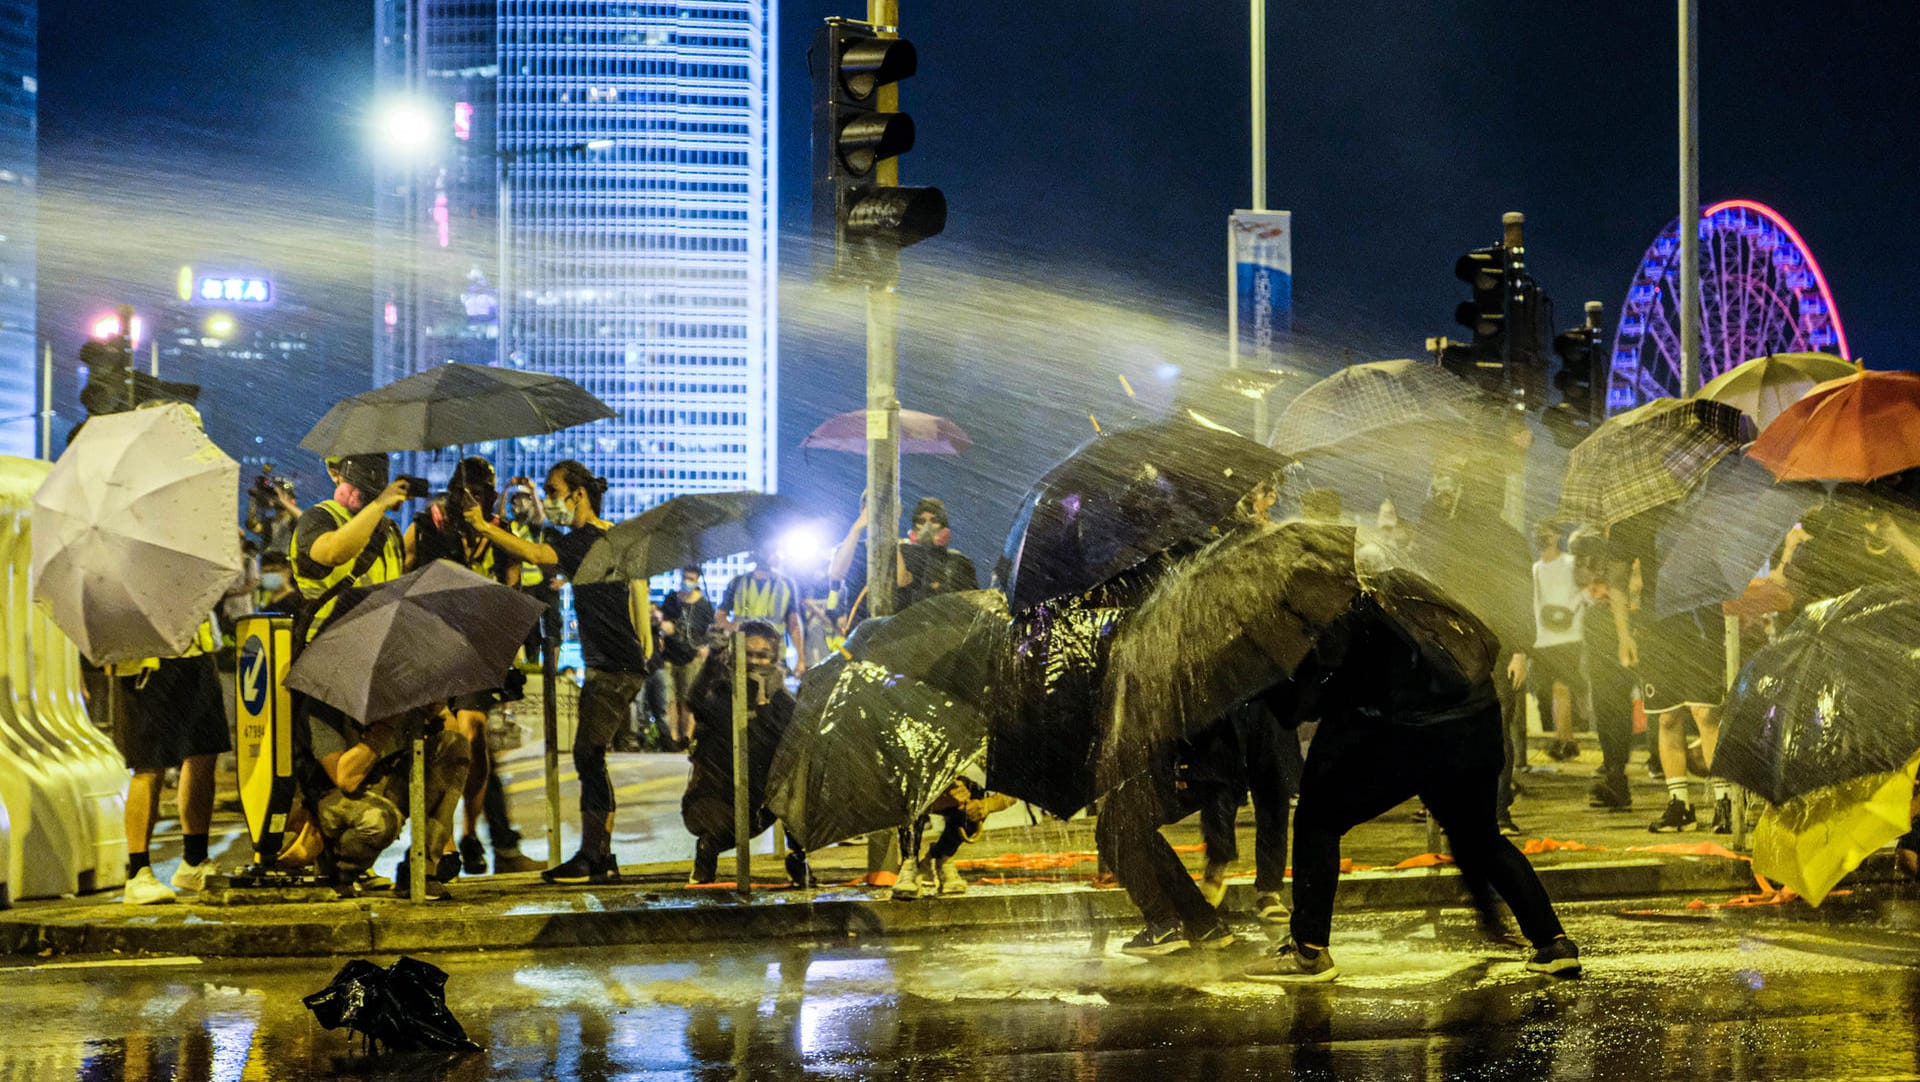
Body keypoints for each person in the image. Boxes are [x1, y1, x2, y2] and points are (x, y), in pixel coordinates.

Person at [1244, 571, 1581, 982]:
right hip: (1477, 725)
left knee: (1318, 819)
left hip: (1414, 736)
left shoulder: (1338, 622)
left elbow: (1305, 707)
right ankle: (1553, 944)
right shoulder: (1400, 585)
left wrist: (1270, 681)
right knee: (1480, 837)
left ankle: (1308, 952)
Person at [467, 460, 650, 885]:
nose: (550, 499)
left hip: (614, 665)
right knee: (591, 757)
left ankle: (595, 856)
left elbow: (534, 553)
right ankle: (597, 854)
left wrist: (483, 526)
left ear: (578, 494)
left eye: (553, 491)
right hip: (616, 662)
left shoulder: (586, 540)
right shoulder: (606, 535)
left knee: (589, 754)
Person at [291, 453, 463, 894]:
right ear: (337, 476)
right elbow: (332, 552)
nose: (365, 495)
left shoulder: (386, 532)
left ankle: (423, 864)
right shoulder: (319, 518)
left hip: (378, 661)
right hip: (331, 661)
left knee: (452, 746)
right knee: (354, 781)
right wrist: (378, 504)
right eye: (361, 487)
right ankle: (334, 861)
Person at [406, 456, 540, 876]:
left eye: (483, 491)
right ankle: (445, 841)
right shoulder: (428, 524)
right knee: (450, 740)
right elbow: (405, 573)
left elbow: (515, 581)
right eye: (468, 490)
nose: (474, 498)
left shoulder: (498, 531)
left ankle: (467, 834)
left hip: (481, 649)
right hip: (436, 644)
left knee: (475, 734)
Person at [1605, 510, 1730, 833]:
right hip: (1657, 627)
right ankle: (1680, 806)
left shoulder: (1703, 501)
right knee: (1667, 716)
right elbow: (1616, 580)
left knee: (1706, 713)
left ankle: (1725, 802)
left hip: (1702, 621)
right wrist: (1623, 635)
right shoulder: (1631, 515)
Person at [682, 620, 810, 886]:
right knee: (721, 830)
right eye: (747, 654)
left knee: (796, 785)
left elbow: (789, 743)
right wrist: (712, 663)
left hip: (761, 800)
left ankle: (797, 858)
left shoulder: (782, 701)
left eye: (762, 655)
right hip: (718, 795)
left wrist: (763, 707)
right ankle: (708, 852)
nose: (754, 661)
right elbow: (697, 703)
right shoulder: (722, 690)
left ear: (774, 657)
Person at [114, 618, 229, 905]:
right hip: (146, 657)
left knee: (203, 753)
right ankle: (138, 872)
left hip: (196, 648)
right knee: (149, 764)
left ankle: (194, 860)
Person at [1571, 527, 1637, 811]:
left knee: (1617, 704)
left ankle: (1617, 774)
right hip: (1596, 627)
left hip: (1619, 627)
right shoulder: (1587, 559)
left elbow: (1631, 588)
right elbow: (1580, 585)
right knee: (1602, 704)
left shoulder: (1623, 553)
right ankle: (1611, 769)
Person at [892, 764, 1016, 900]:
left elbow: (1011, 791)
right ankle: (909, 863)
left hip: (957, 793)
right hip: (916, 786)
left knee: (975, 790)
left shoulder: (980, 747)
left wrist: (985, 805)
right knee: (909, 788)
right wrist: (935, 795)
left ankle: (941, 856)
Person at [1524, 521, 1589, 763]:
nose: (1542, 536)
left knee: (1562, 687)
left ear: (1557, 535)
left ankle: (1564, 738)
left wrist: (1570, 611)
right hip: (1543, 637)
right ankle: (1565, 738)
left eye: (1547, 532)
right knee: (1550, 690)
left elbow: (1585, 590)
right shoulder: (1535, 569)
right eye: (1538, 531)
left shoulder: (1570, 564)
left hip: (1569, 635)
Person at [717, 548, 807, 676]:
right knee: (745, 689)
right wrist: (735, 629)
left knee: (765, 688)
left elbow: (794, 624)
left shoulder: (785, 584)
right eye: (775, 552)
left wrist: (801, 659)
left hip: (771, 653)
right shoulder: (738, 582)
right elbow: (720, 616)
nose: (779, 557)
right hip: (745, 651)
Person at [659, 565, 716, 748]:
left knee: (688, 701)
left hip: (692, 658)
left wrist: (705, 646)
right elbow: (661, 620)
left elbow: (712, 629)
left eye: (691, 578)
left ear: (698, 580)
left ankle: (687, 738)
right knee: (670, 700)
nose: (687, 581)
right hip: (669, 655)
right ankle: (673, 738)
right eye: (685, 577)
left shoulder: (704, 605)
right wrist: (662, 628)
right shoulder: (671, 599)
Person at [896, 497, 979, 610]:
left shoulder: (959, 563)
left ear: (943, 527)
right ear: (914, 529)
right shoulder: (903, 557)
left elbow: (973, 607)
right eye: (921, 521)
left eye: (934, 521)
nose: (927, 527)